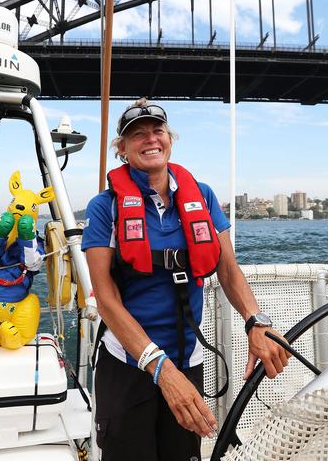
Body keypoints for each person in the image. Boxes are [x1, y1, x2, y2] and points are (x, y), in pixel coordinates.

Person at [82, 98, 290, 461]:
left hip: (185, 358)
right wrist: (158, 367)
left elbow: (227, 269)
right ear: (122, 149)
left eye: (157, 131)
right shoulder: (106, 207)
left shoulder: (202, 195)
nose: (150, 140)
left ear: (169, 139)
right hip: (128, 365)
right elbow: (105, 296)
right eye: (137, 135)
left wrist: (255, 321)